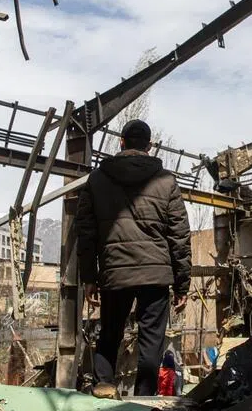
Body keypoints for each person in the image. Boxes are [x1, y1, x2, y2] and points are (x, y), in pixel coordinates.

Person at [76, 119, 191, 396]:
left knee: (110, 335)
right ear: (149, 146)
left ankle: (104, 387)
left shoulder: (98, 179)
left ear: (122, 143)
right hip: (156, 274)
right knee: (151, 342)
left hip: (116, 272)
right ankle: (143, 398)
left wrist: (89, 278)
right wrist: (182, 284)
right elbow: (179, 235)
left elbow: (85, 233)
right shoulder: (166, 182)